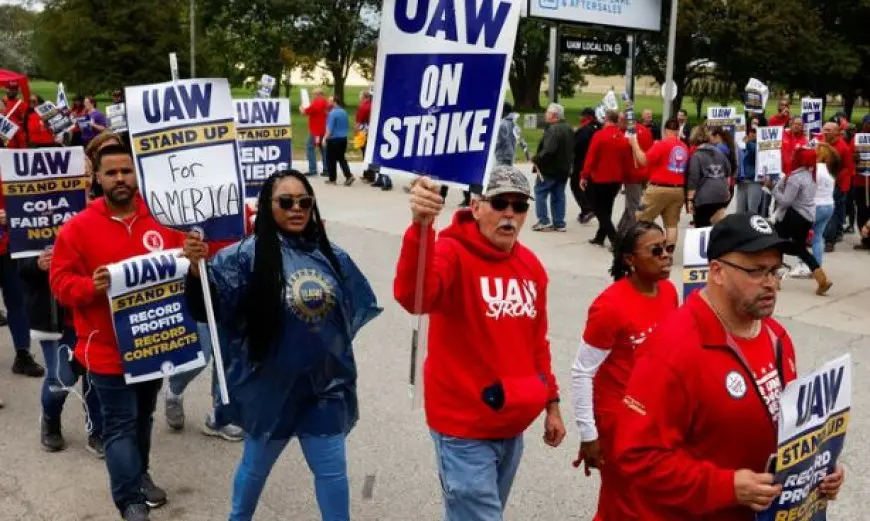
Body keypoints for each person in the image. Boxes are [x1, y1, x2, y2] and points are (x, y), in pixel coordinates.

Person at [615, 212, 846, 521]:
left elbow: (789, 425)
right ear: (717, 272)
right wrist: (726, 486)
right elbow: (636, 457)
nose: (771, 284)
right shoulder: (671, 348)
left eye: (775, 270)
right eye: (756, 271)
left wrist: (816, 468)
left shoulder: (777, 336)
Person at [182, 169, 380, 521]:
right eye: (286, 201)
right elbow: (207, 309)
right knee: (255, 470)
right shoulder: (244, 256)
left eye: (305, 201)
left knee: (332, 473)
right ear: (267, 205)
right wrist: (197, 272)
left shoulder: (331, 255)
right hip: (269, 391)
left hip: (324, 389)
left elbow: (352, 309)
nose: (296, 208)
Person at [394, 166, 566, 521]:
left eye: (519, 207)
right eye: (500, 202)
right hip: (463, 431)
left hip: (512, 426)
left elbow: (538, 344)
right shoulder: (450, 252)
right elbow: (415, 297)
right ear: (475, 207)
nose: (509, 214)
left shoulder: (531, 267)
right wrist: (421, 230)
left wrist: (552, 403)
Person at [50, 144, 185, 521]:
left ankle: (140, 474)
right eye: (112, 173)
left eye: (127, 171)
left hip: (155, 344)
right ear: (98, 178)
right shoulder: (77, 228)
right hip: (106, 350)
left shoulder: (163, 219)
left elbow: (187, 270)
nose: (121, 178)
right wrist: (91, 286)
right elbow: (60, 284)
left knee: (144, 417)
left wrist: (195, 256)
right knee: (120, 424)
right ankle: (130, 502)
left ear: (136, 174)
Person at [571, 221, 678, 521]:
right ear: (629, 259)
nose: (666, 256)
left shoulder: (669, 293)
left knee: (654, 502)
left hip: (657, 419)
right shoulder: (609, 306)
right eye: (655, 250)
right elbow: (582, 371)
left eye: (669, 248)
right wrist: (589, 433)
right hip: (618, 424)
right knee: (622, 506)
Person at [20, 245, 104, 455]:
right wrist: (37, 264)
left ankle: (98, 431)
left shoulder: (102, 214)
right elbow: (21, 267)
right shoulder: (34, 217)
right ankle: (50, 419)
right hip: (56, 318)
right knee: (61, 376)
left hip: (96, 310)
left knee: (97, 374)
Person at [768, 147, 833, 295]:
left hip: (794, 216)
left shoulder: (795, 177)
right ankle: (821, 278)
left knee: (776, 243)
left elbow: (785, 201)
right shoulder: (811, 175)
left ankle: (775, 279)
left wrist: (773, 189)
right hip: (807, 216)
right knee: (800, 248)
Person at [631, 119, 689, 246]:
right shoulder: (684, 147)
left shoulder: (661, 144)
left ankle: (642, 248)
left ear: (665, 130)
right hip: (678, 189)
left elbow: (644, 161)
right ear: (678, 130)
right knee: (672, 224)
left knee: (642, 219)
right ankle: (669, 252)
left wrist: (635, 145)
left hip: (659, 188)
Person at [0, 207, 43, 378]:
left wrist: (15, 216)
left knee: (18, 303)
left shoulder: (10, 180)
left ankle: (23, 353)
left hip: (11, 250)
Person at [581, 110, 633, 246]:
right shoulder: (622, 137)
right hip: (616, 179)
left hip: (600, 178)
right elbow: (626, 160)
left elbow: (591, 157)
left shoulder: (600, 135)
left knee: (599, 209)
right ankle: (600, 236)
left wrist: (584, 175)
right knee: (607, 207)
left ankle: (614, 240)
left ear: (606, 119)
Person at [531, 103, 574, 232]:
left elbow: (549, 150)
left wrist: (536, 159)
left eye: (548, 113)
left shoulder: (553, 129)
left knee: (540, 192)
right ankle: (559, 222)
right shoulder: (569, 128)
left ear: (554, 116)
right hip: (564, 168)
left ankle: (544, 221)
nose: (545, 115)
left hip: (550, 169)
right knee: (559, 195)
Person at [687, 127, 733, 227]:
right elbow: (727, 174)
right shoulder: (720, 154)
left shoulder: (697, 155)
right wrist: (727, 189)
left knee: (702, 226)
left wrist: (690, 199)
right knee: (718, 226)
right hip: (721, 194)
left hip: (704, 197)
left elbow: (693, 178)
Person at [618, 113, 654, 236]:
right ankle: (622, 229)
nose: (619, 123)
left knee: (633, 206)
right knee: (632, 203)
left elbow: (622, 151)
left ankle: (633, 234)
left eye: (620, 120)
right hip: (645, 171)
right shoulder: (645, 130)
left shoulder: (628, 133)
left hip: (632, 173)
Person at [822, 121, 855, 252]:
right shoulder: (824, 142)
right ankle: (837, 232)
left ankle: (830, 240)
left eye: (828, 130)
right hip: (828, 183)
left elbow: (847, 168)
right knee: (837, 210)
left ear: (836, 132)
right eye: (824, 129)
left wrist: (834, 181)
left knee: (832, 212)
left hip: (837, 185)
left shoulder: (842, 147)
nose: (824, 132)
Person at [811, 142, 838, 267]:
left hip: (815, 205)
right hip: (828, 205)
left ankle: (804, 264)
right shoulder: (829, 170)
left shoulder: (816, 169)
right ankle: (817, 266)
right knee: (817, 237)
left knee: (803, 237)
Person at [571, 108, 600, 224]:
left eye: (581, 116)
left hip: (581, 162)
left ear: (586, 117)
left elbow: (576, 146)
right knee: (589, 186)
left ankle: (587, 208)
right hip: (595, 163)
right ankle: (587, 209)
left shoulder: (584, 130)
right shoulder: (598, 128)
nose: (579, 118)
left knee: (576, 185)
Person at [324, 96, 355, 186]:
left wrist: (324, 138)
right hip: (343, 138)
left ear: (334, 102)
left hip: (334, 139)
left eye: (329, 101)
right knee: (341, 158)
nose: (328, 102)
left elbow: (329, 129)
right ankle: (348, 175)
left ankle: (332, 179)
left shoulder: (332, 113)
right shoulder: (344, 112)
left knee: (330, 160)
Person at [850, 114, 870, 250]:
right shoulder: (856, 140)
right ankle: (866, 240)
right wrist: (855, 156)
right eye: (868, 124)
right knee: (862, 210)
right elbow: (849, 157)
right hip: (860, 182)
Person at [302, 88, 330, 176]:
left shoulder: (318, 102)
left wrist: (301, 109)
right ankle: (327, 169)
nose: (312, 96)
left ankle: (313, 170)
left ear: (319, 94)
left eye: (314, 94)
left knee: (310, 147)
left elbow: (306, 111)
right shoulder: (326, 102)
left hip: (316, 131)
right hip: (324, 130)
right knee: (324, 149)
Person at [735, 126, 762, 214]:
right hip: (742, 181)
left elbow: (757, 151)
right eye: (750, 131)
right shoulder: (742, 145)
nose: (752, 134)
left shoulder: (759, 145)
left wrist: (749, 143)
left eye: (755, 132)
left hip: (753, 181)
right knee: (739, 211)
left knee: (752, 211)